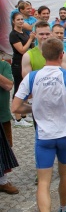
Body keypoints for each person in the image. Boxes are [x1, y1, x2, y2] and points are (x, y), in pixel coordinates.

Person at [12, 38, 66, 212]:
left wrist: (34, 109)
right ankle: (63, 208)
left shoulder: (32, 77)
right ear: (62, 55)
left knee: (43, 182)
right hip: (64, 135)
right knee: (64, 174)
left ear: (43, 55)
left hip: (43, 136)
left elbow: (16, 107)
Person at [9, 12, 34, 127]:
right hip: (18, 64)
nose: (20, 21)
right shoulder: (13, 35)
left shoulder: (23, 32)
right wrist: (31, 39)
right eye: (18, 19)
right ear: (13, 21)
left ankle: (23, 114)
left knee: (25, 88)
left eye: (22, 19)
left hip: (25, 63)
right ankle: (17, 118)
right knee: (18, 89)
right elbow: (22, 50)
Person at [0, 58, 19, 195]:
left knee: (5, 148)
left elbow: (8, 85)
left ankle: (3, 181)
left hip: (2, 116)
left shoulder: (4, 65)